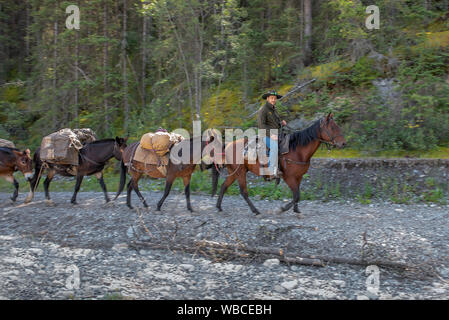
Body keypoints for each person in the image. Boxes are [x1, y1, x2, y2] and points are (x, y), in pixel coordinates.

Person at [257, 90, 287, 178]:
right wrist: (271, 135)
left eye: (275, 98)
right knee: (274, 146)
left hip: (275, 133)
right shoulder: (263, 110)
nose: (274, 100)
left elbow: (274, 123)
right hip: (265, 134)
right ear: (267, 99)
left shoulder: (274, 109)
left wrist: (281, 123)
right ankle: (270, 170)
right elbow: (261, 125)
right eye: (272, 98)